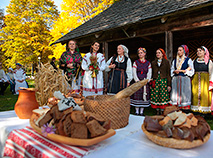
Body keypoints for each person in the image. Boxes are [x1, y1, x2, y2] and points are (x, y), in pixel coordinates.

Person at [170, 45, 194, 111]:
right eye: (178, 50)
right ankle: (176, 108)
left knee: (185, 94)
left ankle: (185, 109)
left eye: (180, 50)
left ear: (184, 51)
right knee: (175, 94)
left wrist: (184, 71)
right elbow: (172, 69)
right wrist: (174, 71)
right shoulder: (174, 61)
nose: (179, 52)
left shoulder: (188, 60)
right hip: (176, 79)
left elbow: (191, 70)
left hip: (185, 79)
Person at [191, 46, 213, 114]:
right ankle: (196, 110)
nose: (198, 52)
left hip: (205, 81)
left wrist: (210, 83)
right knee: (195, 94)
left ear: (204, 52)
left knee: (204, 95)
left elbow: (211, 73)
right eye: (197, 51)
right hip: (196, 81)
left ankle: (204, 111)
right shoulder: (194, 61)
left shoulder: (209, 62)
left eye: (200, 51)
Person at [130, 47, 151, 116]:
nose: (140, 54)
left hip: (144, 81)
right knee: (137, 96)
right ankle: (137, 111)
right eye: (139, 53)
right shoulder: (136, 62)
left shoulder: (148, 63)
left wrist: (147, 80)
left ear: (144, 54)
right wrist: (137, 80)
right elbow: (134, 72)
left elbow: (149, 72)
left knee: (143, 95)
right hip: (137, 81)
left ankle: (141, 111)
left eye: (141, 53)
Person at [150, 48, 171, 115]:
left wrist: (169, 84)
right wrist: (151, 82)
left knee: (162, 95)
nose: (157, 54)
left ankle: (162, 110)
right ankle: (157, 110)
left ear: (162, 54)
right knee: (156, 95)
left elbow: (168, 73)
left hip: (163, 81)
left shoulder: (166, 62)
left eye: (159, 53)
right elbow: (151, 73)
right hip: (156, 80)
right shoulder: (153, 63)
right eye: (157, 53)